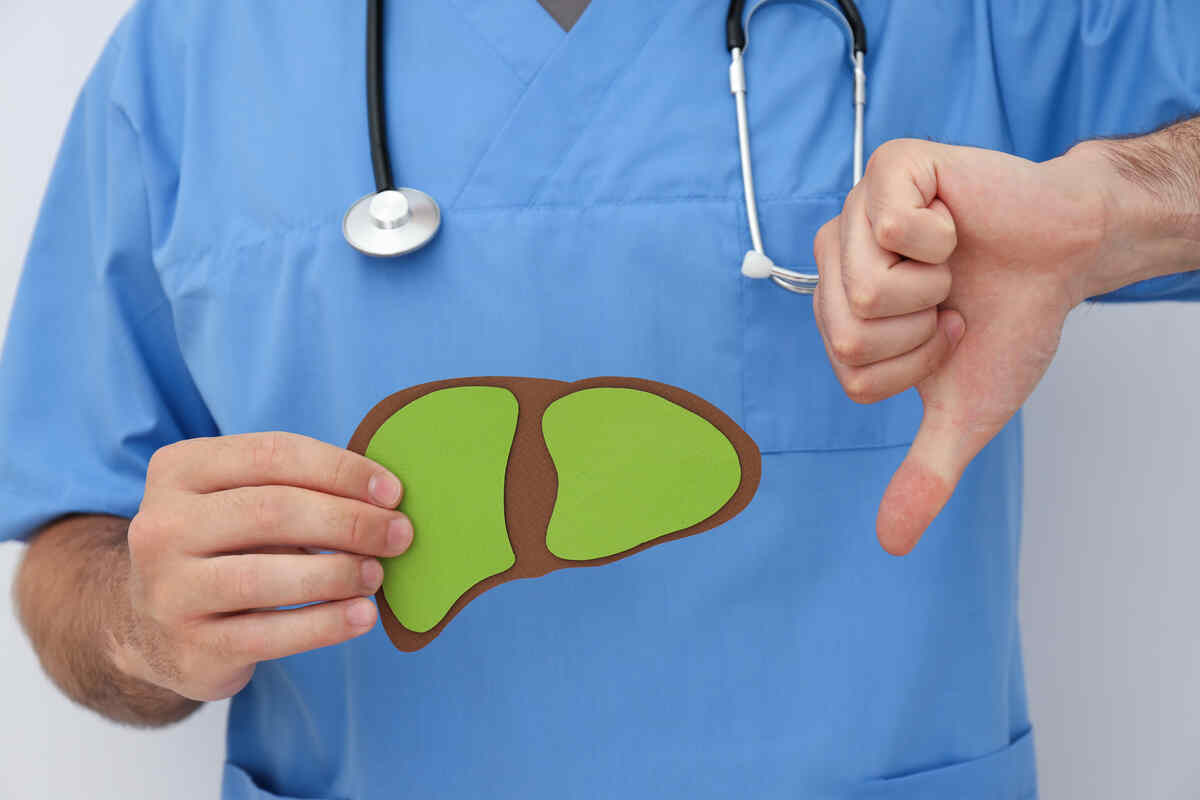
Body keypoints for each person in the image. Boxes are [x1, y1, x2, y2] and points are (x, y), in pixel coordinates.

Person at [4, 1, 1198, 798]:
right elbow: (70, 543)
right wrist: (142, 621)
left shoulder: (970, 14)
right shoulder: (193, 52)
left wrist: (1112, 208)